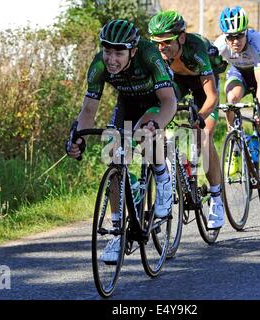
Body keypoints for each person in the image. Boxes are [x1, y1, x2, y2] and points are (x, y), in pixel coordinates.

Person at [66, 19, 177, 263]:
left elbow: (169, 102)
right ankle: (117, 231)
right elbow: (88, 110)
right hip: (127, 103)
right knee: (114, 157)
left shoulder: (149, 55)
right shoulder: (98, 65)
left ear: (133, 51)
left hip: (157, 100)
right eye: (107, 51)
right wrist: (78, 139)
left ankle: (162, 177)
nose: (111, 59)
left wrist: (157, 125)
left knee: (145, 131)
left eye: (119, 53)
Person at [148, 10, 228, 229]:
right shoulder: (158, 55)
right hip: (179, 83)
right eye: (156, 43)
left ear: (181, 37)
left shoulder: (196, 49)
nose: (160, 48)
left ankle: (216, 198)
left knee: (203, 137)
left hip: (203, 83)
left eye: (166, 42)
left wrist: (200, 117)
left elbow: (212, 97)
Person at [214, 6, 260, 204]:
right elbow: (208, 71)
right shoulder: (220, 44)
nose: (234, 42)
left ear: (246, 32)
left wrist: (259, 110)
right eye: (230, 37)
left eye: (238, 36)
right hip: (238, 74)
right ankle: (236, 143)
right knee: (231, 101)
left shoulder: (257, 42)